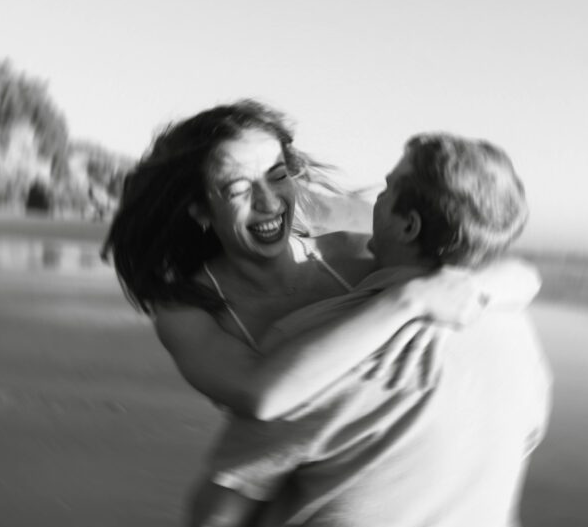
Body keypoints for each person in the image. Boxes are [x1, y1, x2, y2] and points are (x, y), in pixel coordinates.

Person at [190, 133, 553, 527]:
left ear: (407, 225)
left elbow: (215, 522)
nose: (375, 201)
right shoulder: (516, 332)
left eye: (387, 188)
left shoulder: (318, 347)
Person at [103, 100, 541, 422]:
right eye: (239, 189)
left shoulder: (352, 255)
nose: (269, 201)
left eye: (278, 176)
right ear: (199, 209)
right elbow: (261, 394)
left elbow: (519, 275)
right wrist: (406, 302)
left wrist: (474, 290)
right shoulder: (188, 312)